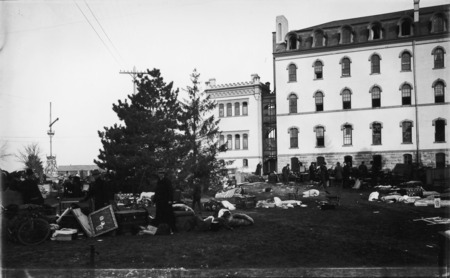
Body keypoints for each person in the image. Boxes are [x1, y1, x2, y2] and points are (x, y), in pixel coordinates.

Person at [154, 168, 177, 233]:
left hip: (166, 201)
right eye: (159, 173)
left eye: (161, 173)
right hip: (159, 201)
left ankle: (171, 228)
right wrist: (154, 199)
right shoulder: (159, 181)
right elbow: (157, 191)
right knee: (159, 214)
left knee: (168, 214)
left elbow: (170, 190)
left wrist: (170, 200)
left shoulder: (167, 181)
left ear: (163, 174)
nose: (160, 174)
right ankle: (160, 228)